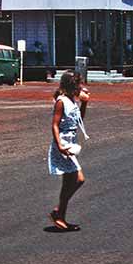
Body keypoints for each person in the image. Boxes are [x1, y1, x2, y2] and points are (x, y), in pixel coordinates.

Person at [48, 70, 90, 231]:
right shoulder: (61, 101)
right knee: (77, 179)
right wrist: (59, 145)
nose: (81, 87)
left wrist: (84, 103)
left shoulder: (72, 101)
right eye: (78, 84)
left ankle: (60, 216)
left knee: (69, 182)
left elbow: (79, 120)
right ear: (71, 86)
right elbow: (55, 125)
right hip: (63, 144)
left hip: (70, 143)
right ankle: (58, 212)